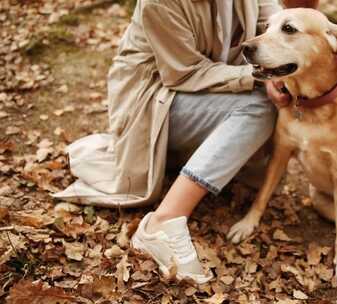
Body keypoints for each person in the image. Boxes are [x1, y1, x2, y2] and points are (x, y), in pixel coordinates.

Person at [54, 0, 319, 284]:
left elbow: (275, 20)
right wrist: (258, 76)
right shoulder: (158, 3)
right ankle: (162, 222)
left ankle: (190, 166)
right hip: (153, 102)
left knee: (272, 99)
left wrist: (285, 65)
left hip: (208, 91)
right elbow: (184, 72)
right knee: (259, 106)